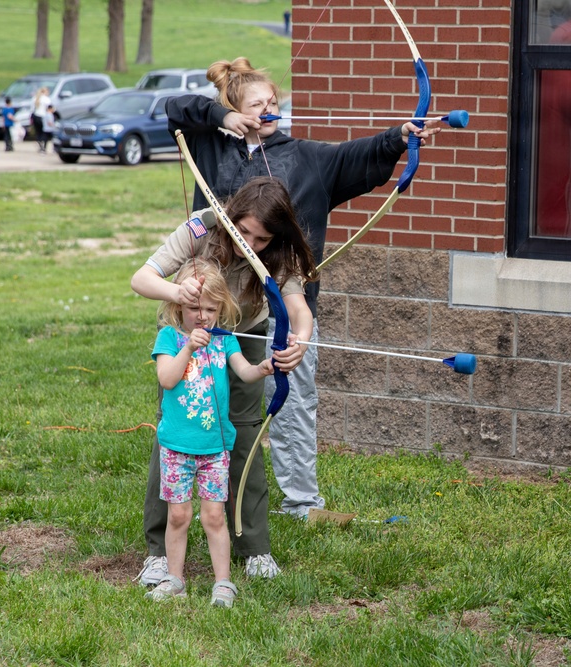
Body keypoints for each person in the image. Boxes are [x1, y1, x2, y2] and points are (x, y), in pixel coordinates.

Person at [145, 56, 440, 580]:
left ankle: (271, 524)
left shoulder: (304, 158)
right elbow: (171, 108)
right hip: (203, 319)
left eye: (272, 104)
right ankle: (159, 552)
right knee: (182, 420)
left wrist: (400, 135)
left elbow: (357, 155)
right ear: (234, 110)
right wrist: (218, 118)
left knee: (251, 421)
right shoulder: (214, 147)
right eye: (254, 105)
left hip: (259, 321)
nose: (267, 111)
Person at [132, 176, 316, 585]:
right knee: (175, 434)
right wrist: (180, 296)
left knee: (245, 436)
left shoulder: (279, 252)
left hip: (241, 337)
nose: (248, 242)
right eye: (242, 230)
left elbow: (297, 308)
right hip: (187, 337)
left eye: (260, 238)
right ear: (230, 217)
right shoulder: (202, 225)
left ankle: (254, 549)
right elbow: (142, 278)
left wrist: (299, 341)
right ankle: (159, 554)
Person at [144, 258, 279, 607]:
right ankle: (175, 578)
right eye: (193, 308)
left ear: (221, 309)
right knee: (178, 515)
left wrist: (263, 368)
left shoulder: (225, 341)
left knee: (214, 516)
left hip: (214, 448)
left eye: (209, 309)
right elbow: (167, 378)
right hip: (176, 447)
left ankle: (223, 583)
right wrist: (189, 346)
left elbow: (244, 373)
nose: (201, 316)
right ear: (178, 306)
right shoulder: (170, 338)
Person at [32, 86, 52, 152]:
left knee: (38, 132)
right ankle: (43, 147)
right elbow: (49, 108)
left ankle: (40, 144)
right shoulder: (46, 99)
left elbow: (32, 109)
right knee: (44, 132)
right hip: (43, 116)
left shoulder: (36, 98)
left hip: (36, 116)